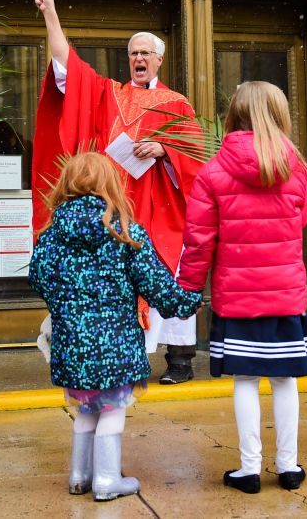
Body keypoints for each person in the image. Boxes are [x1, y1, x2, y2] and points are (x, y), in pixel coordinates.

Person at [33, 0, 203, 385]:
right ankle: (127, 358)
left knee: (165, 269)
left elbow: (197, 158)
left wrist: (164, 149)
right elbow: (68, 66)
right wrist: (51, 14)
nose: (139, 58)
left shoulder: (177, 104)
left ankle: (180, 359)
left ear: (160, 59)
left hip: (160, 203)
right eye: (133, 53)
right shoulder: (108, 94)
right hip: (115, 203)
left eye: (146, 52)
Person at [27, 152, 202, 501]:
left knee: (86, 410)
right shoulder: (124, 232)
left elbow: (38, 279)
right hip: (116, 347)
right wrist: (190, 300)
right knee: (112, 412)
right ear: (110, 185)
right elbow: (159, 288)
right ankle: (107, 480)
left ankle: (80, 476)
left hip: (73, 345)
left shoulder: (50, 237)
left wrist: (67, 303)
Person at [177, 81, 307, 494]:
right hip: (285, 291)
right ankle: (289, 466)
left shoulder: (213, 171)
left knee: (244, 379)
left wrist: (187, 290)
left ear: (233, 114)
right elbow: (302, 220)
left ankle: (249, 468)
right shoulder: (299, 168)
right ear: (278, 113)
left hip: (236, 295)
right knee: (284, 380)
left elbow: (199, 239)